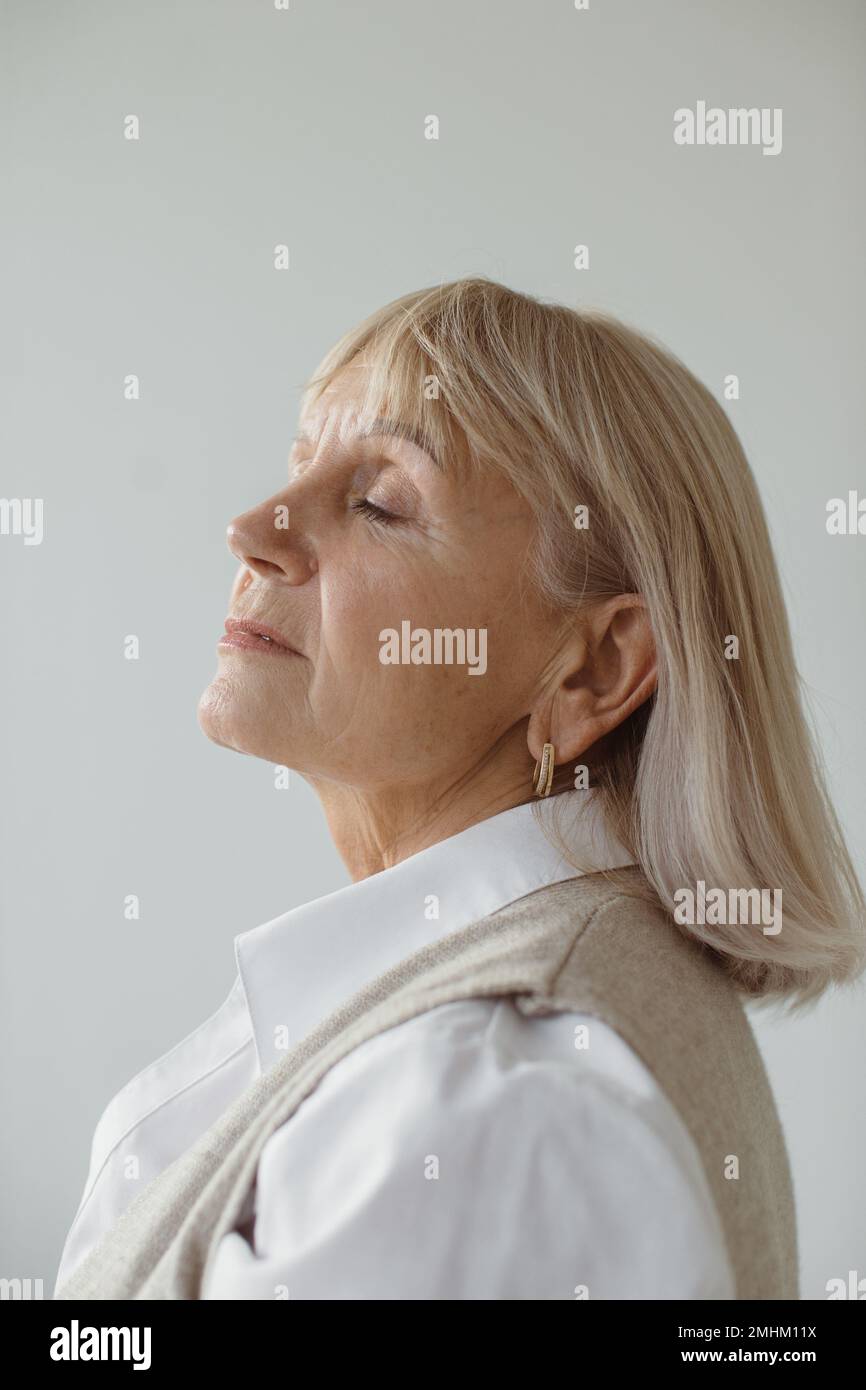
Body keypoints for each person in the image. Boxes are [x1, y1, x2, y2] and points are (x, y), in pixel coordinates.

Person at [54, 277, 865, 1300]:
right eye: (300, 465)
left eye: (379, 502)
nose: (253, 526)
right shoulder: (496, 1040)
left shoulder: (483, 1104)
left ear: (593, 672)